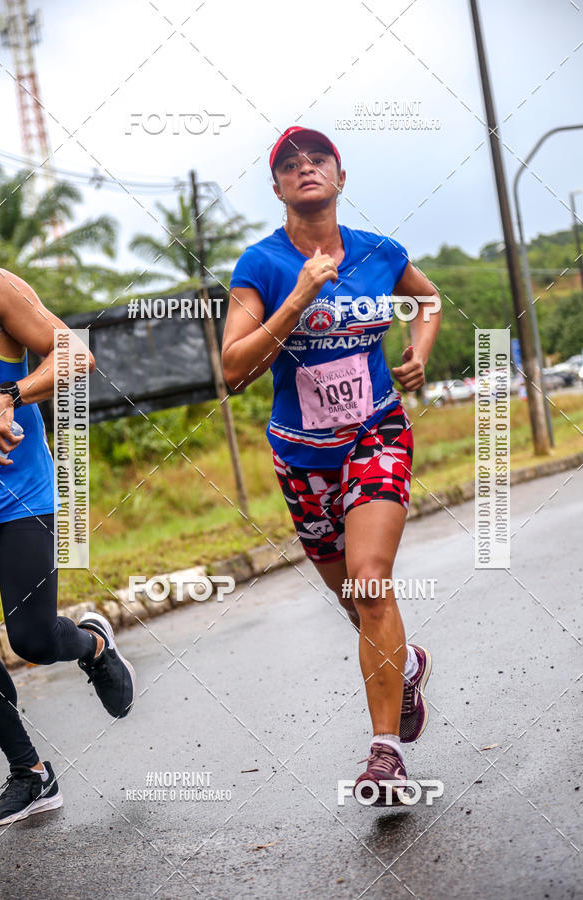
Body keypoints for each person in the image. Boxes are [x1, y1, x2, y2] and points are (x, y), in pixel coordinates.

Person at [222, 127, 441, 805]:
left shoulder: (380, 252)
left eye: (317, 159)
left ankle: (385, 756)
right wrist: (297, 298)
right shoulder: (258, 265)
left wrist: (420, 349)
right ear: (279, 187)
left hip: (377, 433)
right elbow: (233, 370)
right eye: (290, 164)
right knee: (354, 600)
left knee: (372, 582)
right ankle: (404, 664)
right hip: (301, 454)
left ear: (339, 177)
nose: (305, 168)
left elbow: (427, 299)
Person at [0, 266, 135, 827]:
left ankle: (93, 645)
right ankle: (31, 773)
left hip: (22, 497)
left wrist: (7, 396)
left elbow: (76, 356)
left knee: (32, 640)